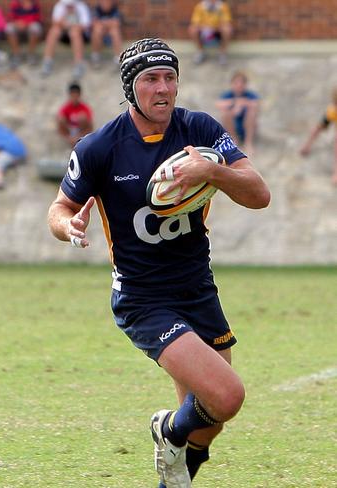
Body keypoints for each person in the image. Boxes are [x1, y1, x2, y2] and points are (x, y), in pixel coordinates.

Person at [47, 39, 270, 488]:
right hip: (143, 298)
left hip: (198, 288)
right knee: (225, 395)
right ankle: (166, 429)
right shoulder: (100, 147)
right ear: (131, 88)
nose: (163, 88)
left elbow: (258, 194)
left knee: (208, 424)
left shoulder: (201, 130)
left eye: (170, 77)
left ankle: (173, 472)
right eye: (151, 79)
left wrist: (213, 172)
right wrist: (68, 227)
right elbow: (59, 208)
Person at [41, 0, 91, 80]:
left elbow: (85, 25)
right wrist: (64, 22)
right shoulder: (59, 6)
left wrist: (73, 26)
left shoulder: (81, 6)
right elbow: (55, 22)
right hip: (64, 34)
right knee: (54, 31)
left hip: (79, 35)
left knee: (74, 32)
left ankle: (78, 64)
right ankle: (47, 61)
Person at [216, 71, 259, 156]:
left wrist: (242, 103)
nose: (239, 85)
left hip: (247, 128)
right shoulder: (228, 95)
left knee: (252, 113)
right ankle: (234, 140)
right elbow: (218, 104)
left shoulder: (249, 94)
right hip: (233, 127)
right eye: (236, 83)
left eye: (241, 83)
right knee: (225, 114)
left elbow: (256, 104)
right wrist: (235, 105)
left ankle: (248, 143)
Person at [300, 86, 337, 185]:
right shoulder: (333, 110)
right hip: (332, 114)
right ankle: (306, 146)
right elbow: (320, 127)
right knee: (319, 128)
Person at [188, 0, 232, 65]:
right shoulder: (200, 6)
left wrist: (214, 27)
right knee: (192, 29)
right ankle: (200, 52)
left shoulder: (223, 6)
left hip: (217, 32)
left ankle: (222, 53)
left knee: (227, 29)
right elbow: (195, 22)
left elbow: (226, 22)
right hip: (204, 32)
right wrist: (206, 27)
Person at [5, 0, 43, 66]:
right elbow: (10, 17)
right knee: (9, 28)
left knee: (35, 28)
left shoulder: (35, 3)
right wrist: (16, 23)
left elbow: (37, 17)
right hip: (18, 24)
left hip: (30, 24)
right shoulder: (15, 3)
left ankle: (31, 55)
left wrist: (26, 23)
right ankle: (17, 55)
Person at [57, 82, 94, 148]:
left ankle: (80, 138)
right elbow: (60, 121)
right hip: (69, 130)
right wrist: (69, 137)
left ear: (79, 95)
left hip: (80, 130)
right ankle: (69, 139)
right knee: (60, 118)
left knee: (83, 117)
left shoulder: (84, 108)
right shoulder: (66, 107)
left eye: (76, 95)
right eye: (72, 95)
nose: (74, 98)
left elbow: (90, 125)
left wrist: (80, 136)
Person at [90, 0, 123, 69]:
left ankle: (117, 59)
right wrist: (108, 24)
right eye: (103, 2)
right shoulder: (97, 10)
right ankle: (96, 57)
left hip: (110, 34)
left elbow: (116, 23)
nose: (105, 3)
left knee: (115, 32)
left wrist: (104, 23)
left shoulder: (114, 10)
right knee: (97, 31)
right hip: (100, 34)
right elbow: (94, 23)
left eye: (107, 2)